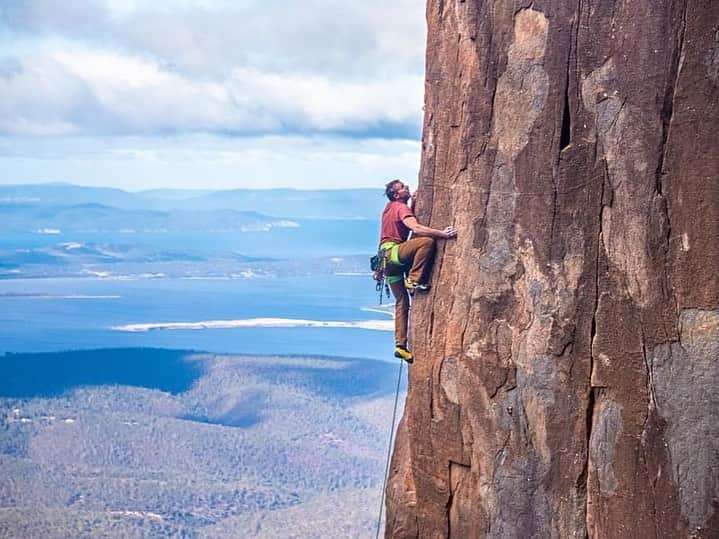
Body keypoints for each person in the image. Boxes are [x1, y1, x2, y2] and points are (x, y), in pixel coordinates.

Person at [379, 179, 457, 363]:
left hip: (385, 261)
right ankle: (413, 279)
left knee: (401, 302)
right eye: (403, 187)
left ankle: (400, 346)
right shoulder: (400, 208)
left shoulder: (389, 208)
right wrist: (443, 234)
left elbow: (400, 221)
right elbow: (416, 228)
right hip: (395, 254)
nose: (407, 188)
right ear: (397, 194)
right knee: (426, 242)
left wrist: (413, 203)